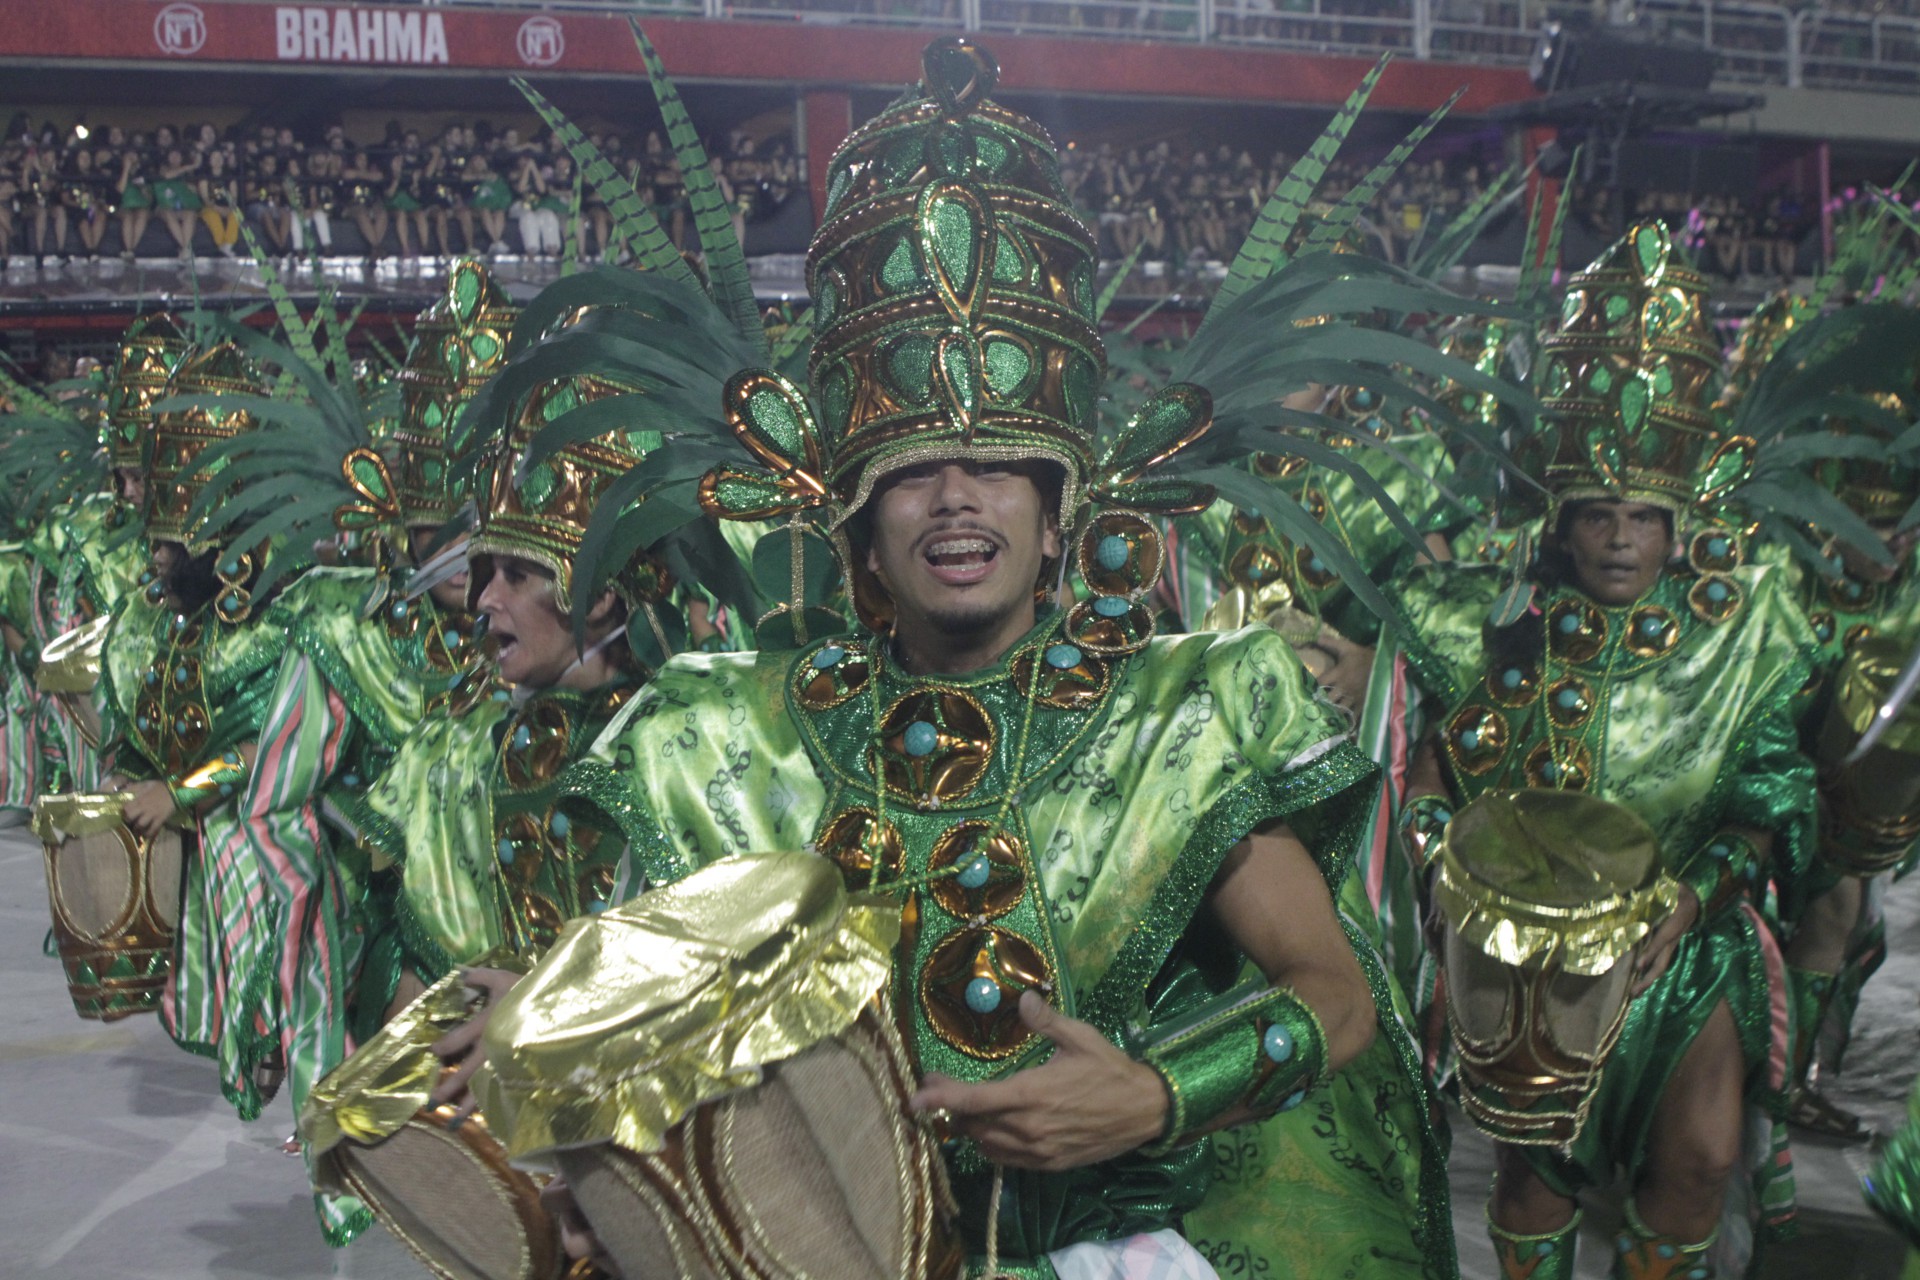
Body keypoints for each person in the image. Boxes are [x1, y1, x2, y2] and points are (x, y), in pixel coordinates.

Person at [447, 39, 1454, 1280]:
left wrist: (1156, 1095)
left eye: (997, 466)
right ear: (861, 526)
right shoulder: (735, 737)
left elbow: (1335, 994)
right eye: (913, 470)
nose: (956, 500)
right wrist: (560, 1018)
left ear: (1056, 513)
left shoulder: (1180, 716)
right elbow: (685, 1016)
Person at [1391, 224, 1819, 1279]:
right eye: (1597, 516)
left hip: (1682, 950)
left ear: (1679, 524)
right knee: (1536, 1178)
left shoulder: (1741, 640)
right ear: (1561, 520)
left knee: (1702, 1160)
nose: (1621, 539)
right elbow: (1429, 780)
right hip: (1529, 965)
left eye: (1643, 516)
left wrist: (1692, 900)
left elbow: (1762, 811)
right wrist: (1447, 871)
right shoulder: (1485, 627)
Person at [231, 262, 516, 1244]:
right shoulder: (346, 626)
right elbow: (278, 802)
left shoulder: (573, 623)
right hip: (405, 959)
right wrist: (329, 928)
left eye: (484, 541)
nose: (463, 568)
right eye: (439, 536)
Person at [98, 341, 293, 1117]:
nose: (155, 557)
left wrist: (182, 791)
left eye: (169, 545)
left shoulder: (276, 626)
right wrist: (123, 777)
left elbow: (274, 747)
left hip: (268, 834)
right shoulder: (151, 622)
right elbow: (130, 730)